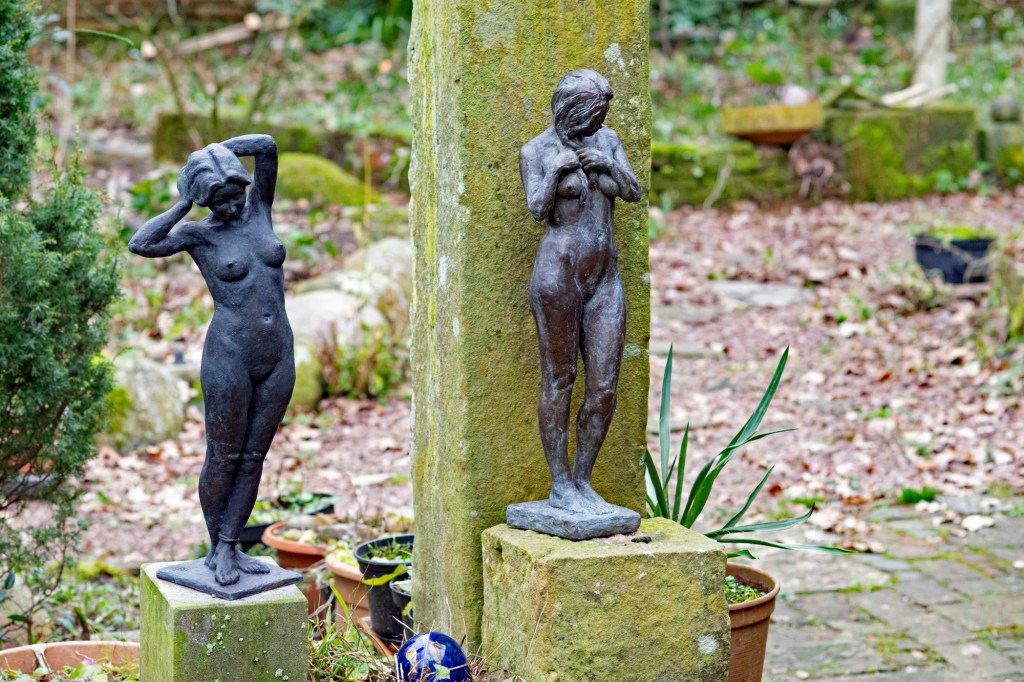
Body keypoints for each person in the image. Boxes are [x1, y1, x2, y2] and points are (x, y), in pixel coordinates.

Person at [128, 135, 294, 586]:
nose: (230, 207)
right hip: (230, 355)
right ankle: (217, 546)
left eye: (233, 195)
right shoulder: (199, 234)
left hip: (278, 353)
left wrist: (217, 151)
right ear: (205, 201)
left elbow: (266, 147)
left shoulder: (259, 207)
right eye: (217, 201)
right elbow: (141, 243)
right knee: (223, 455)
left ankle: (232, 544)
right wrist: (185, 202)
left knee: (255, 455)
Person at [519, 70, 641, 516]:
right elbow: (536, 208)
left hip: (604, 278)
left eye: (602, 117)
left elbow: (633, 192)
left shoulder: (607, 142)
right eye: (592, 116)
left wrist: (608, 165)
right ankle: (560, 485)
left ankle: (584, 480)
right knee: (560, 377)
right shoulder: (536, 151)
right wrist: (556, 173)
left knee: (604, 387)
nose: (598, 123)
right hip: (559, 276)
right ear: (570, 111)